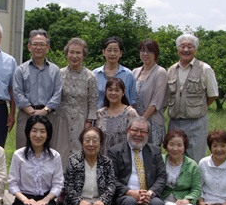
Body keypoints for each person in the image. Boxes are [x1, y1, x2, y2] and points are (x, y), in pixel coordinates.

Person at [167, 34, 218, 161]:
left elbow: (213, 95)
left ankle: (196, 182)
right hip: (174, 122)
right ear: (177, 49)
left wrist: (198, 108)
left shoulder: (205, 69)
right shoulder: (171, 70)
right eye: (182, 46)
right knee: (174, 158)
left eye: (190, 46)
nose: (186, 50)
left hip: (196, 123)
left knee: (195, 160)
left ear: (195, 49)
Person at [63, 127, 115, 205]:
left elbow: (111, 185)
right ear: (82, 143)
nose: (91, 144)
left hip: (99, 201)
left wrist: (101, 201)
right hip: (78, 202)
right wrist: (80, 201)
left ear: (100, 143)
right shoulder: (73, 161)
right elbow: (68, 186)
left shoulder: (107, 162)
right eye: (87, 140)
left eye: (95, 140)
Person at [51, 38, 98, 168]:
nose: (74, 56)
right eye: (71, 52)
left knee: (79, 151)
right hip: (61, 120)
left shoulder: (90, 76)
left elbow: (93, 102)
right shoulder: (59, 74)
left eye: (78, 53)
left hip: (81, 121)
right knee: (60, 151)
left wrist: (89, 122)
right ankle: (59, 184)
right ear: (67, 54)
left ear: (84, 55)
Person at [12, 29, 62, 149]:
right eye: (35, 44)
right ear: (29, 47)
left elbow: (57, 93)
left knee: (48, 151)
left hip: (49, 116)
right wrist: (31, 111)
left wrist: (45, 110)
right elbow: (17, 92)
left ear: (47, 47)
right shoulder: (20, 69)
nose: (38, 47)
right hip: (26, 116)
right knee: (24, 151)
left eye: (42, 44)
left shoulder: (55, 70)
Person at [133, 39, 167, 146]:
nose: (145, 54)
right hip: (135, 123)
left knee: (151, 159)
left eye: (149, 51)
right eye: (142, 50)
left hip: (153, 123)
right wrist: (135, 121)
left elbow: (157, 101)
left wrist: (142, 120)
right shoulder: (135, 72)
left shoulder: (160, 72)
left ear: (155, 54)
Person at [96, 78, 139, 152]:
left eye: (117, 90)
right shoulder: (100, 113)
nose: (113, 93)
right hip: (103, 159)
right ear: (106, 92)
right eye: (110, 90)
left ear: (123, 92)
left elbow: (137, 136)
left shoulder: (130, 113)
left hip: (124, 158)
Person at [93, 36, 136, 109]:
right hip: (100, 117)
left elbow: (132, 101)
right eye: (109, 50)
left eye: (115, 50)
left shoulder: (128, 75)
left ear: (121, 53)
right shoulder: (95, 74)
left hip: (123, 118)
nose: (112, 54)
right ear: (103, 52)